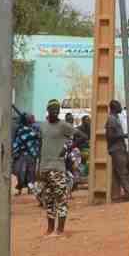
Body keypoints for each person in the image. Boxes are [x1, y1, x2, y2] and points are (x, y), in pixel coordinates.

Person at [38, 99, 74, 237]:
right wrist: (38, 167)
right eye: (53, 109)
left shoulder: (63, 125)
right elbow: (41, 146)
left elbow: (81, 136)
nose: (55, 111)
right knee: (48, 199)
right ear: (48, 110)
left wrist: (67, 148)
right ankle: (50, 229)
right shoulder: (43, 126)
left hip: (58, 168)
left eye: (57, 109)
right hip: (44, 168)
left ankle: (60, 230)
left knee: (61, 199)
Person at [106, 100, 129, 201]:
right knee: (123, 172)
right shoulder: (112, 119)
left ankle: (115, 195)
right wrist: (124, 135)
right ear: (114, 107)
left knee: (116, 173)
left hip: (118, 148)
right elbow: (110, 135)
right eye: (119, 106)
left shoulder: (115, 118)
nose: (121, 107)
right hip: (117, 149)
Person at [12, 113, 40, 195]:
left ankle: (30, 189)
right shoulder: (22, 130)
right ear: (27, 120)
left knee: (31, 172)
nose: (32, 118)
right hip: (23, 154)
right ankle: (20, 189)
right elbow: (24, 139)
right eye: (30, 117)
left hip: (32, 154)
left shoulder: (33, 128)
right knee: (21, 172)